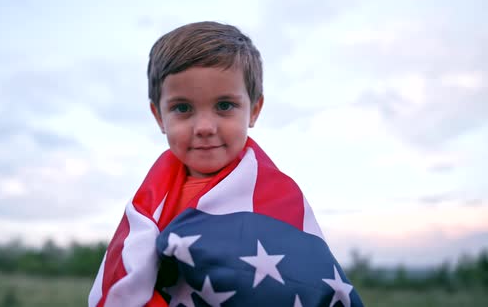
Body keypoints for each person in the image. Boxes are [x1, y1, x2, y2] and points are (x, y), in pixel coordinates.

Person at [88, 21, 363, 307]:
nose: (205, 127)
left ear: (254, 110)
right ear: (159, 117)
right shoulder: (148, 206)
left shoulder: (281, 198)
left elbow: (307, 281)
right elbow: (122, 284)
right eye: (182, 108)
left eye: (224, 106)